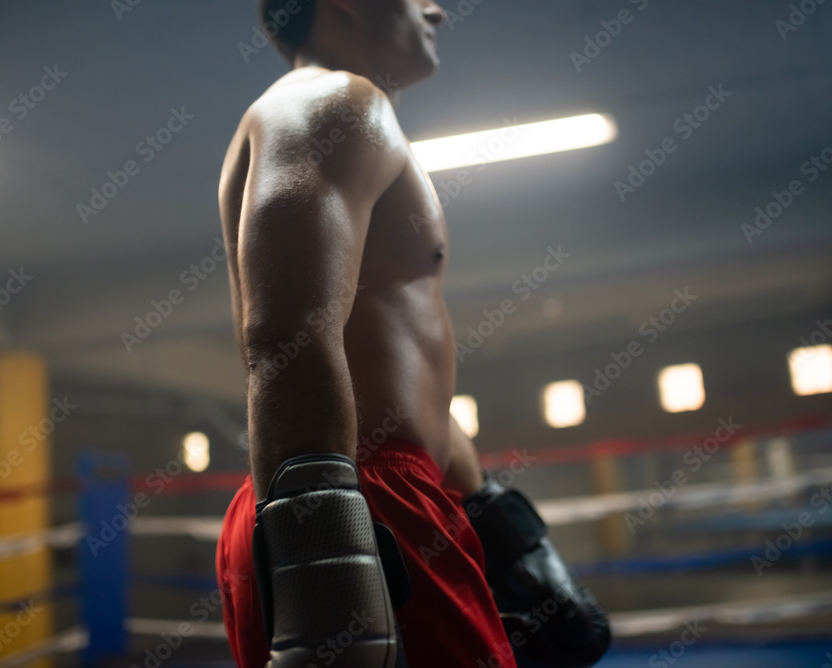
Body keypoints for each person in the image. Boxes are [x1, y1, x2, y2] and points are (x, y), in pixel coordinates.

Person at [215, 1, 611, 666]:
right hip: (355, 505)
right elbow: (287, 336)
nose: (438, 9)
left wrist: (502, 532)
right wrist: (326, 581)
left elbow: (398, 386)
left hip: (383, 496)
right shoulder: (331, 101)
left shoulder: (354, 118)